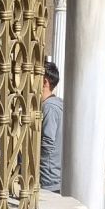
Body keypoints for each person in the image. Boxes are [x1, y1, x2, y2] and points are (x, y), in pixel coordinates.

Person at [40, 61, 63, 193]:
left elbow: (47, 143)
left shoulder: (49, 107)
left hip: (48, 177)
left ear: (44, 82)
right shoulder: (58, 104)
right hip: (55, 175)